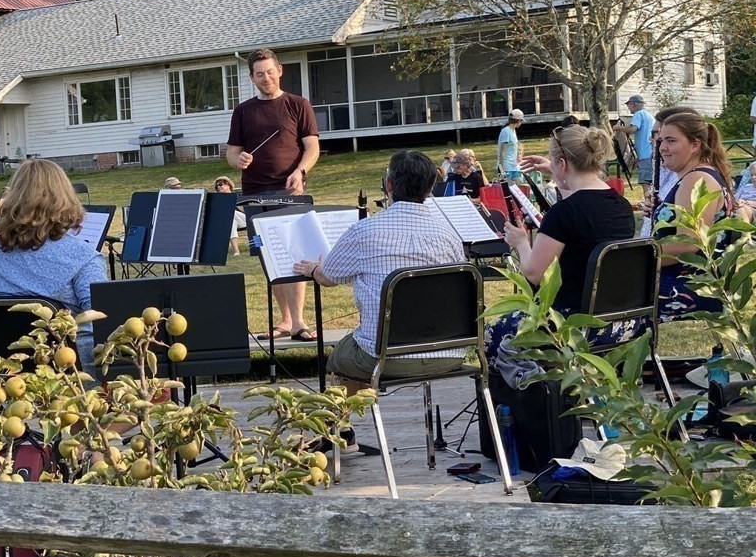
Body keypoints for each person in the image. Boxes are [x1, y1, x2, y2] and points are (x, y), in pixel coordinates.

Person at [293, 151, 467, 448]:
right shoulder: (450, 234)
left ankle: (339, 432)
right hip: (450, 352)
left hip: (387, 358)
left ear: (388, 184)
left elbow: (328, 277)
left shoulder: (365, 231)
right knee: (362, 343)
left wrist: (312, 269)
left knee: (341, 357)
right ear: (430, 189)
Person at [492, 126, 638, 387]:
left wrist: (521, 242)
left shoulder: (564, 213)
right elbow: (584, 206)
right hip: (620, 322)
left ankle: (535, 409)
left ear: (562, 163)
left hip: (571, 324)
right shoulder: (621, 206)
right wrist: (555, 169)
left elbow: (535, 273)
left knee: (492, 334)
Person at [226, 48, 320, 341]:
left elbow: (312, 148)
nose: (265, 78)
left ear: (279, 70)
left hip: (289, 191)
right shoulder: (243, 111)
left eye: (269, 72)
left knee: (296, 254)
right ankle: (284, 320)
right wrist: (238, 160)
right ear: (252, 77)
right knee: (268, 255)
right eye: (258, 74)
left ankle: (300, 322)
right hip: (254, 194)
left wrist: (300, 172)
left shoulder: (298, 104)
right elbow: (231, 153)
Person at [0, 159, 108, 370]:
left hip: (5, 384)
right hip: (71, 383)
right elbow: (101, 324)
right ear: (64, 198)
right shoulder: (84, 259)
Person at [641, 113, 733, 320]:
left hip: (688, 286)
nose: (662, 147)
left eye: (671, 141)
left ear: (695, 145)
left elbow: (688, 245)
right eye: (661, 140)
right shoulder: (696, 176)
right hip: (684, 279)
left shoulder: (697, 179)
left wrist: (637, 259)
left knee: (596, 297)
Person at [612, 95, 655, 194]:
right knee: (652, 182)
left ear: (633, 104)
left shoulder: (638, 114)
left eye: (628, 105)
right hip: (649, 153)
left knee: (645, 182)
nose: (628, 108)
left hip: (645, 155)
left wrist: (618, 128)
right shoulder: (648, 115)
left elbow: (632, 129)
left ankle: (648, 205)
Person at [213, 175, 246, 256]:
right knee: (231, 221)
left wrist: (234, 202)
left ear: (228, 185)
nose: (218, 187)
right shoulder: (217, 200)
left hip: (244, 220)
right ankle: (236, 251)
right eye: (217, 186)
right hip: (228, 222)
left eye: (221, 184)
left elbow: (246, 211)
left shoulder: (237, 197)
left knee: (231, 214)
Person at [497, 109, 524, 181]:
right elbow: (502, 152)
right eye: (521, 121)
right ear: (519, 121)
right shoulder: (506, 131)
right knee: (508, 189)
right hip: (506, 167)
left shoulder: (513, 130)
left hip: (513, 166)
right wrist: (501, 170)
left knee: (518, 189)